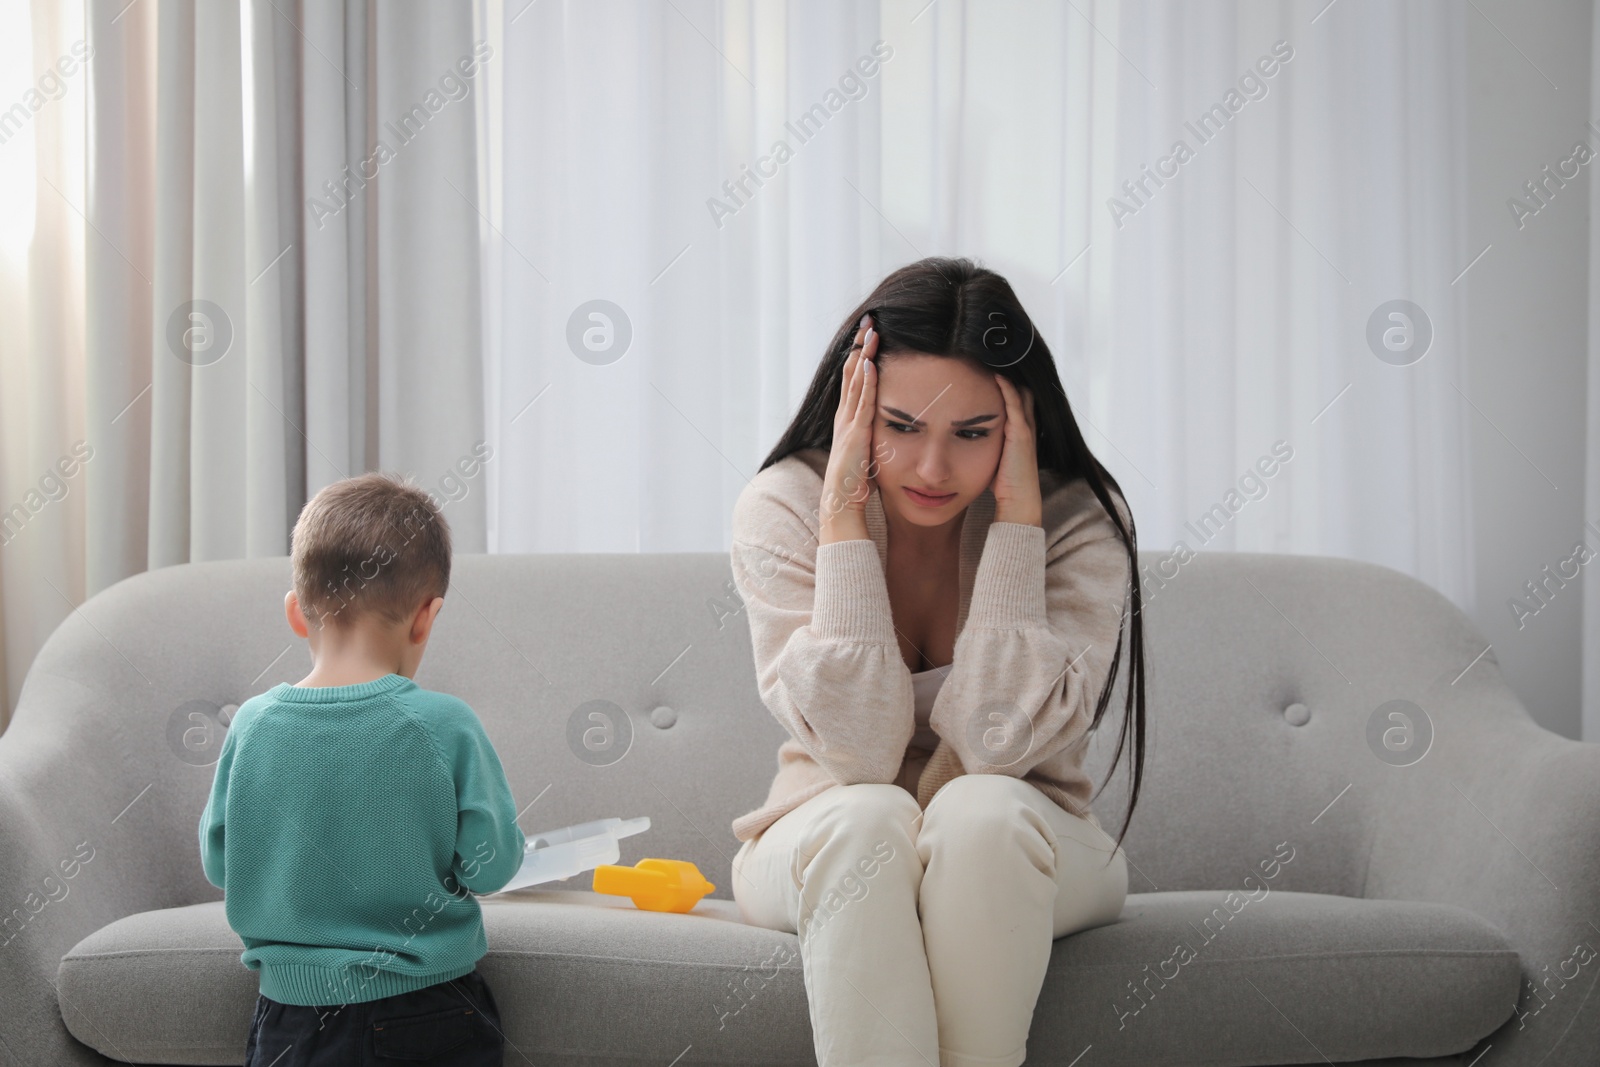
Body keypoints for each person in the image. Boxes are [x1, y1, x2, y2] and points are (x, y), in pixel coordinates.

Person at [727, 256, 1149, 1067]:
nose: (931, 469)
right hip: (825, 828)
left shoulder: (1078, 519)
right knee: (869, 820)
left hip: (1033, 835)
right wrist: (844, 520)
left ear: (1020, 422)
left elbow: (998, 744)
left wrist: (1019, 524)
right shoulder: (783, 505)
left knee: (980, 812)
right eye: (902, 425)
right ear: (856, 408)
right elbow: (858, 754)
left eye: (972, 434)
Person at [199, 471, 524, 1065]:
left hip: (290, 1021)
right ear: (426, 617)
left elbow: (221, 863)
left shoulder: (252, 725)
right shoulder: (445, 725)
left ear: (297, 613)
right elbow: (493, 866)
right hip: (430, 1010)